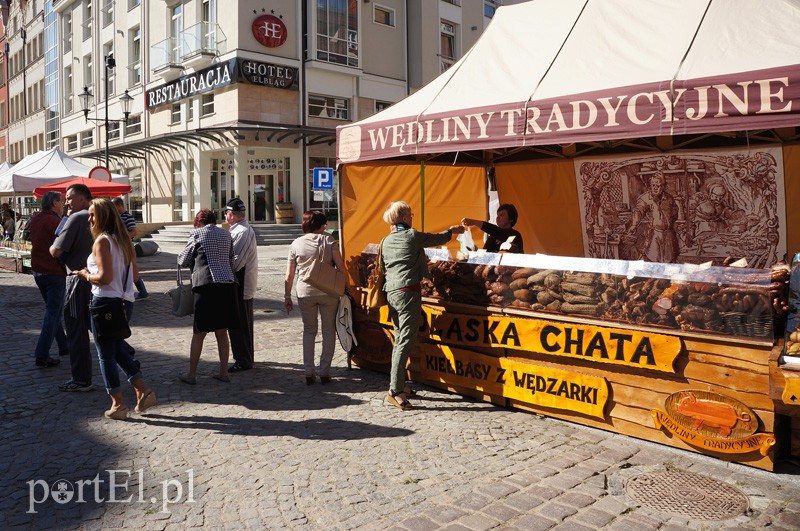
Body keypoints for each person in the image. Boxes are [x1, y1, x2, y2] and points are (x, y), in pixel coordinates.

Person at [74, 198, 157, 420]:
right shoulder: (123, 241)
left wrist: (85, 275)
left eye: (93, 214)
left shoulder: (102, 241)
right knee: (116, 348)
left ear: (104, 216)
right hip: (124, 301)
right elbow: (135, 277)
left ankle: (118, 403)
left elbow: (104, 277)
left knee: (105, 355)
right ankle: (142, 390)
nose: (89, 219)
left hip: (105, 302)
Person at [381, 201, 464, 409]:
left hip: (391, 292)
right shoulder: (411, 235)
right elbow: (435, 238)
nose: (412, 217)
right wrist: (452, 231)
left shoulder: (386, 240)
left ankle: (399, 383)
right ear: (403, 217)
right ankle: (395, 390)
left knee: (399, 339)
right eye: (410, 214)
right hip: (407, 292)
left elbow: (384, 267)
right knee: (404, 342)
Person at [284, 210, 349, 385]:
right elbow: (341, 267)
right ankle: (325, 372)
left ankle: (308, 372)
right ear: (321, 225)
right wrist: (348, 287)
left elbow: (289, 275)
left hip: (305, 291)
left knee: (309, 331)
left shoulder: (296, 243)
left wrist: (287, 296)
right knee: (329, 331)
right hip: (328, 291)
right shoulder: (329, 241)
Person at [177, 208, 239, 385]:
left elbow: (183, 260)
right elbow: (231, 260)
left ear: (198, 221)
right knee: (222, 332)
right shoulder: (226, 234)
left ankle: (191, 374)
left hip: (206, 286)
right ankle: (224, 372)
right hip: (227, 285)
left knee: (199, 332)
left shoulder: (197, 234)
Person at [50, 184, 95, 392]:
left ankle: (81, 379)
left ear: (82, 198)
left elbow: (56, 250)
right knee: (96, 326)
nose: (66, 202)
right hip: (95, 279)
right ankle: (126, 358)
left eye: (69, 198)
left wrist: (65, 220)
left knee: (76, 330)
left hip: (78, 278)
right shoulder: (99, 215)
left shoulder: (77, 218)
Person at [29, 191, 68, 368]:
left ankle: (64, 345)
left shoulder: (36, 219)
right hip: (53, 271)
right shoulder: (55, 221)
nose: (64, 204)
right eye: (61, 201)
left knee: (54, 311)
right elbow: (60, 248)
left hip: (38, 271)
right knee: (53, 313)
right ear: (54, 203)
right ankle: (42, 353)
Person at [223, 198, 258, 373]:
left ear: (231, 214)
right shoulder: (238, 230)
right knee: (243, 323)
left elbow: (237, 262)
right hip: (241, 282)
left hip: (241, 283)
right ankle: (246, 357)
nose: (225, 216)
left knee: (240, 323)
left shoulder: (242, 231)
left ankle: (243, 359)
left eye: (226, 213)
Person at [627, 171, 680, 262]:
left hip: (668, 235)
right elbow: (638, 212)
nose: (655, 188)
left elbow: (675, 212)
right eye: (653, 185)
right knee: (653, 259)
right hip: (654, 234)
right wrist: (634, 225)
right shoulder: (645, 198)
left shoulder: (669, 198)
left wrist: (670, 222)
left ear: (663, 186)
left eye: (658, 186)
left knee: (669, 260)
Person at [112, 196, 148, 299]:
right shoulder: (117, 217)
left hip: (126, 247)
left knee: (131, 270)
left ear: (119, 205)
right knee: (126, 270)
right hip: (121, 247)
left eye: (114, 206)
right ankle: (140, 292)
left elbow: (134, 232)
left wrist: (121, 238)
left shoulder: (127, 216)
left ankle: (142, 292)